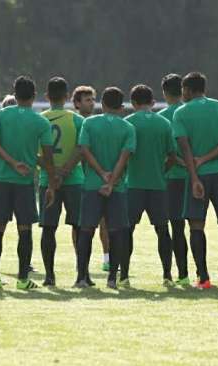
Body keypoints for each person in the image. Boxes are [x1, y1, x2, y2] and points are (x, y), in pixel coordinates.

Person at [0, 76, 58, 290]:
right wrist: (52, 185)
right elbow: (47, 157)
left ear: (14, 94)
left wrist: (10, 161)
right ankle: (23, 279)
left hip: (0, 179)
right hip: (24, 182)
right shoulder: (41, 122)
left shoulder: (1, 114)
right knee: (24, 229)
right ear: (34, 96)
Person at [173, 72, 218, 289]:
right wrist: (210, 157)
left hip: (198, 174)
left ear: (188, 89)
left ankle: (203, 278)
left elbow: (185, 149)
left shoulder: (181, 112)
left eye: (183, 90)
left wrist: (195, 174)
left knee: (196, 225)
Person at [76, 87, 135, 289]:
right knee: (116, 232)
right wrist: (111, 182)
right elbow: (124, 157)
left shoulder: (89, 123)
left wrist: (101, 174)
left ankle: (82, 277)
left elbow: (84, 149)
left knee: (86, 230)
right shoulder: (127, 128)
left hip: (93, 185)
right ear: (121, 106)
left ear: (102, 104)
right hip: (117, 188)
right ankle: (112, 279)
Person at [125, 84, 176, 285]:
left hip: (133, 184)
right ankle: (167, 275)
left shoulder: (128, 123)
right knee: (163, 230)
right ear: (152, 102)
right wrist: (161, 172)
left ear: (133, 103)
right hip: (158, 185)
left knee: (127, 230)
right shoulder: (164, 123)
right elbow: (172, 156)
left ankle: (124, 276)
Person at [38, 77, 84, 287]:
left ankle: (49, 276)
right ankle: (82, 275)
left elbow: (33, 151)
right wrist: (65, 170)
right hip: (74, 179)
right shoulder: (76, 120)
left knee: (48, 228)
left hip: (48, 180)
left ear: (47, 96)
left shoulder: (40, 119)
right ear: (67, 96)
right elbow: (81, 148)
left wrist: (52, 171)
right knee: (80, 227)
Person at [73, 85, 111, 272]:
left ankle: (107, 259)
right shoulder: (76, 122)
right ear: (77, 103)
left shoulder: (98, 123)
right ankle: (80, 259)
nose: (91, 103)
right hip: (80, 179)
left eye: (93, 99)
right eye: (87, 100)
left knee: (105, 221)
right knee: (80, 224)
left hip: (98, 179)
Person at [158, 73, 190, 285]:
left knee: (165, 228)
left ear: (164, 92)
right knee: (187, 228)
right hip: (192, 176)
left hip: (169, 178)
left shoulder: (161, 117)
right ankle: (186, 274)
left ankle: (168, 274)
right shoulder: (190, 113)